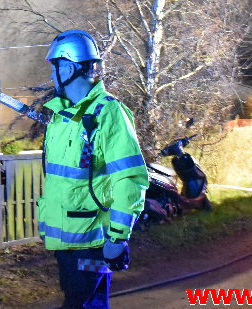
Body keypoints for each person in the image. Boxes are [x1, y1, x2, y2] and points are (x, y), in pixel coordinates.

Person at [39, 30, 149, 309]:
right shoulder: (63, 116)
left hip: (91, 244)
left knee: (81, 305)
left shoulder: (109, 113)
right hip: (66, 244)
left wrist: (117, 238)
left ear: (68, 67)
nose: (52, 77)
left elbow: (130, 178)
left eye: (55, 68)